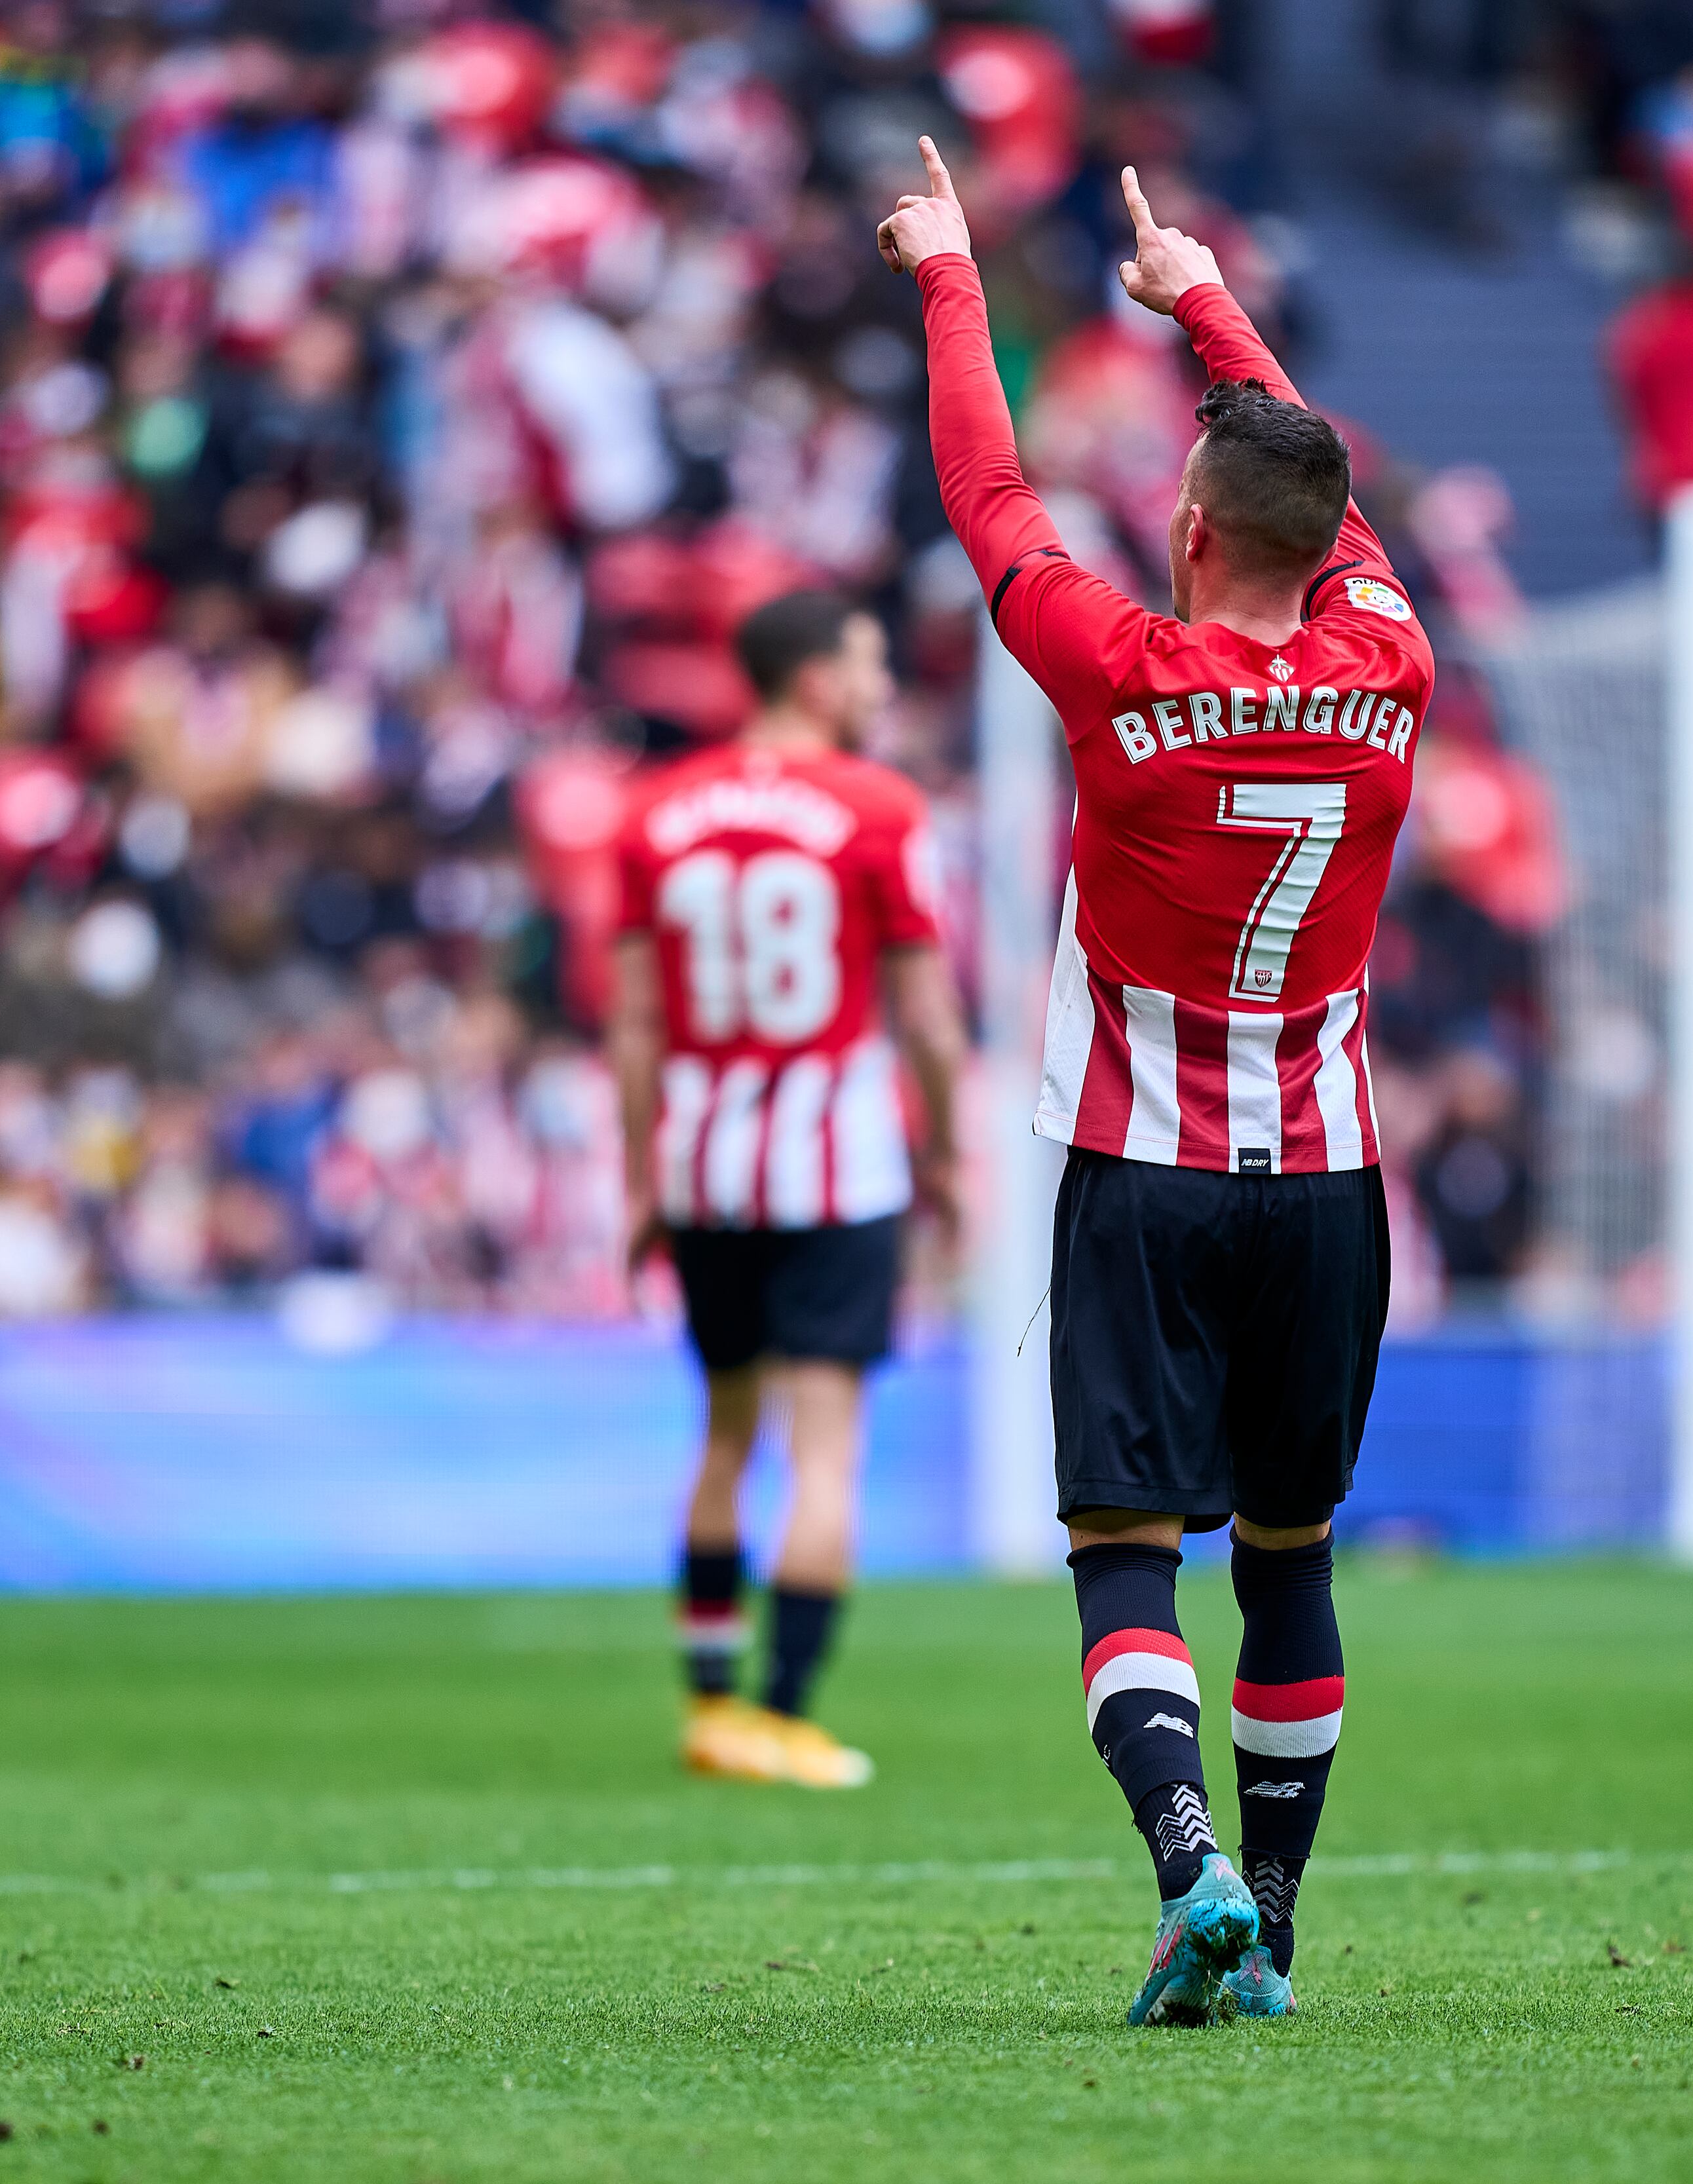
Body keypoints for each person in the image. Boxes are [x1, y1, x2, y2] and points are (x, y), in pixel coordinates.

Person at [884, 143, 1432, 2024]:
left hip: (1141, 1162)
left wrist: (956, 275)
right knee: (1291, 1553)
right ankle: (1269, 1917)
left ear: (1191, 526)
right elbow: (1303, 461)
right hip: (1330, 1177)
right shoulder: (1394, 653)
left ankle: (1191, 1862)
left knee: (1128, 1545)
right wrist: (1200, 293)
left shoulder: (1120, 670)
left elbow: (987, 490)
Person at [607, 590, 968, 1792]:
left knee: (722, 1435)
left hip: (705, 1160)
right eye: (868, 666)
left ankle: (709, 1707)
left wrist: (639, 1173)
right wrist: (949, 1154)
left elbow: (636, 1023)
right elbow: (922, 1008)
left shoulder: (654, 812)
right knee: (825, 1453)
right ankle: (785, 1713)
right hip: (834, 1164)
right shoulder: (875, 805)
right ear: (815, 677)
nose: (880, 688)